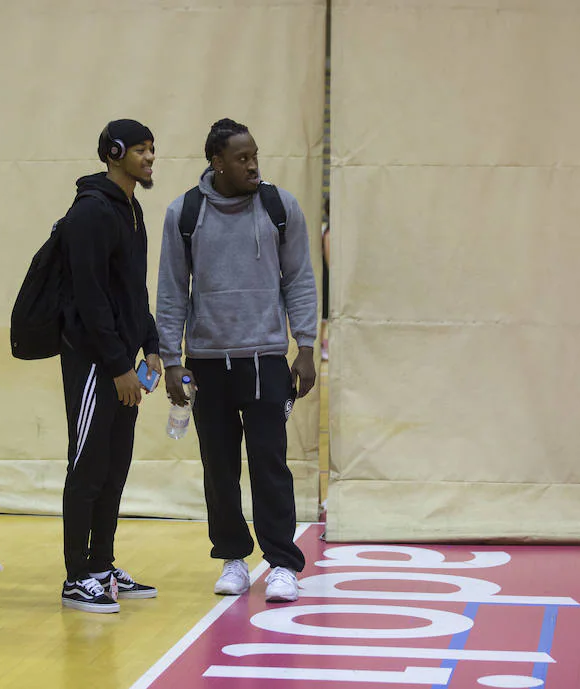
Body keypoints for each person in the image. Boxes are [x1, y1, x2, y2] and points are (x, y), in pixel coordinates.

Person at [156, 118, 318, 603]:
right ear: (217, 162)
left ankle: (283, 563)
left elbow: (301, 280)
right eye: (242, 158)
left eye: (255, 156)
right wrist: (170, 359)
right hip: (206, 361)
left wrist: (305, 347)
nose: (252, 166)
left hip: (266, 358)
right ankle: (232, 558)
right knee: (219, 466)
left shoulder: (279, 206)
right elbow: (171, 291)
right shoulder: (183, 213)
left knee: (269, 462)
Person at [57, 119, 161, 613]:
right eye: (140, 150)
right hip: (94, 363)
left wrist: (153, 346)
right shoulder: (92, 212)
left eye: (151, 150)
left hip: (122, 360)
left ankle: (102, 564)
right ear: (114, 152)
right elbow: (90, 297)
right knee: (88, 467)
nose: (149, 158)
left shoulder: (131, 210)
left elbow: (132, 291)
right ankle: (77, 576)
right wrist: (119, 364)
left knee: (115, 466)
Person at [321, 196, 330, 361]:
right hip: (328, 279)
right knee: (324, 316)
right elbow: (329, 261)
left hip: (331, 279)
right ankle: (321, 344)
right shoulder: (329, 233)